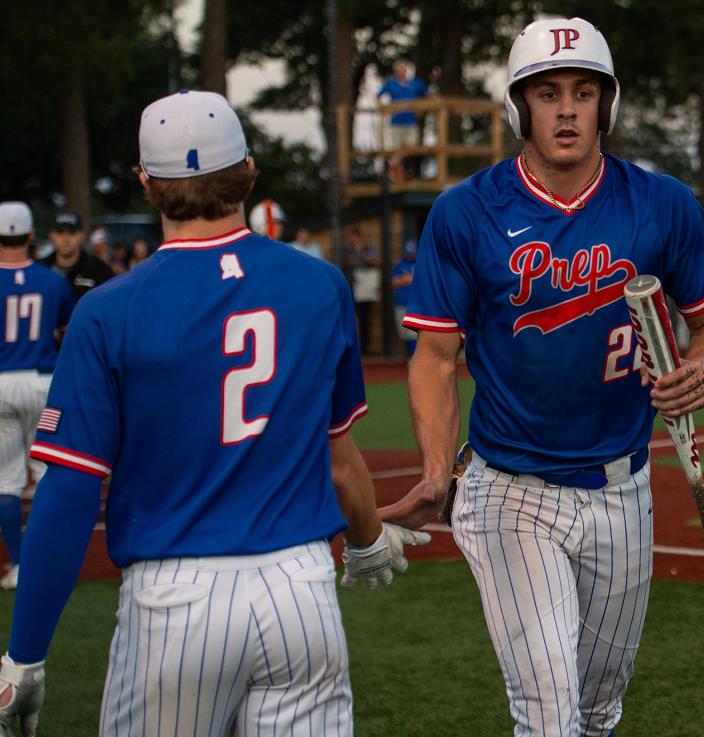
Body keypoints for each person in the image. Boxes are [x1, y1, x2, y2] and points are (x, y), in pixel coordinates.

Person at [0, 90, 427, 737]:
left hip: (176, 600)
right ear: (248, 173)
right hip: (299, 592)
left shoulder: (110, 308)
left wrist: (25, 655)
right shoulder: (319, 286)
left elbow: (68, 491)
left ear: (146, 183)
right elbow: (341, 463)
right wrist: (366, 539)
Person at [383, 18, 704, 737]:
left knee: (598, 710)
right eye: (547, 93)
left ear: (607, 104)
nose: (568, 109)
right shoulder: (466, 213)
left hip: (622, 487)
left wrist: (699, 370)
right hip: (510, 488)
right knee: (550, 715)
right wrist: (432, 471)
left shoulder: (661, 204)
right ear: (520, 107)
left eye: (583, 91)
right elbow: (435, 357)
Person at [0, 202, 74, 590]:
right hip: (43, 382)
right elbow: (65, 333)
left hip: (1, 385)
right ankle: (50, 561)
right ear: (31, 236)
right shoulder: (51, 281)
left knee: (6, 481)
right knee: (47, 476)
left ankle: (18, 564)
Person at [39, 211, 115, 301]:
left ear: (81, 236)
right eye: (60, 232)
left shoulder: (99, 270)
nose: (65, 239)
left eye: (72, 232)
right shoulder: (41, 269)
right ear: (51, 236)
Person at [378, 60, 428, 180]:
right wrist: (385, 110)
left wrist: (421, 109)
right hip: (396, 121)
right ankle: (398, 177)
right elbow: (379, 95)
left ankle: (392, 163)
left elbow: (427, 95)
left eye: (405, 69)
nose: (403, 72)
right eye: (401, 70)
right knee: (397, 148)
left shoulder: (415, 83)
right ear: (396, 71)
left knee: (411, 146)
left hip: (410, 121)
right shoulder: (391, 83)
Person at [344, 227, 382, 355]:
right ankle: (352, 347)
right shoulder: (347, 250)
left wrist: (361, 254)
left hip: (366, 289)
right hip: (352, 287)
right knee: (351, 318)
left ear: (359, 237)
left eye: (354, 237)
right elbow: (347, 262)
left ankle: (365, 348)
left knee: (365, 318)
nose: (352, 240)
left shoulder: (368, 248)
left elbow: (376, 261)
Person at [391, 240, 418, 359]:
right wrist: (408, 279)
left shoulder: (419, 264)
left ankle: (413, 358)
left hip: (415, 304)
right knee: (404, 333)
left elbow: (420, 280)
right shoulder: (400, 265)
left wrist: (406, 279)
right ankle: (409, 357)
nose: (410, 254)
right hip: (401, 303)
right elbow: (394, 281)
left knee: (414, 333)